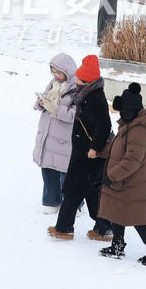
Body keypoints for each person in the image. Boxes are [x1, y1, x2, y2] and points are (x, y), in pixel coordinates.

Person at [98, 82, 146, 266]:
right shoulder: (129, 125)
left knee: (138, 220)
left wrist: (112, 175)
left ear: (132, 110)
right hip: (125, 181)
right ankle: (117, 245)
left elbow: (132, 161)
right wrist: (101, 151)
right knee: (117, 212)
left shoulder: (139, 131)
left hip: (134, 183)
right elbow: (117, 148)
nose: (121, 115)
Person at [48, 54, 113, 241]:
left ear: (88, 81)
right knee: (91, 192)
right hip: (83, 153)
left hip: (88, 155)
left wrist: (94, 148)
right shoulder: (86, 93)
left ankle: (64, 228)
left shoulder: (96, 98)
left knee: (73, 190)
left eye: (79, 78)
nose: (75, 80)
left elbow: (104, 125)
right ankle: (103, 228)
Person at [33, 53, 78, 214]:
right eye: (53, 72)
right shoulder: (53, 83)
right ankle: (51, 201)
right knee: (47, 169)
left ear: (68, 71)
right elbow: (46, 100)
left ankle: (74, 204)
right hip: (48, 133)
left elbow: (74, 115)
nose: (56, 76)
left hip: (64, 139)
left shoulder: (76, 89)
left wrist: (55, 109)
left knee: (65, 173)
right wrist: (41, 103)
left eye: (59, 73)